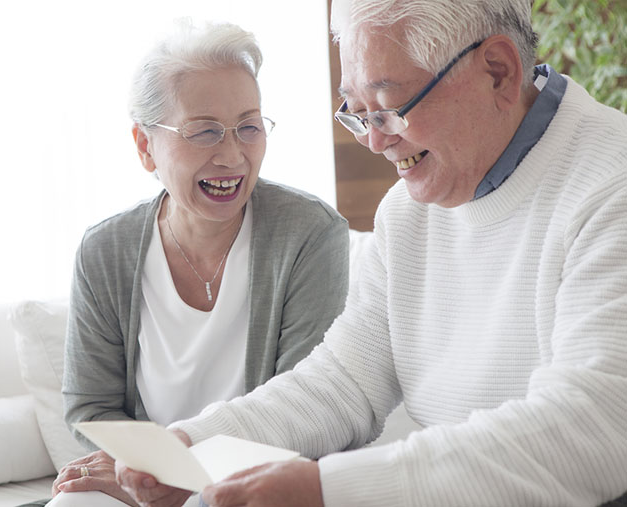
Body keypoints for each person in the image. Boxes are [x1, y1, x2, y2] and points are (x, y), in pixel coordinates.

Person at [115, 1, 627, 506]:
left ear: (497, 72)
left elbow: (597, 428)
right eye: (359, 112)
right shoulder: (407, 212)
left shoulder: (610, 185)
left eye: (389, 106)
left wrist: (330, 490)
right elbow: (344, 381)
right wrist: (196, 443)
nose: (376, 141)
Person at [37, 19, 350, 507]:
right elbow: (91, 406)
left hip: (259, 475)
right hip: (145, 480)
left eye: (248, 127)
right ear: (145, 146)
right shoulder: (105, 250)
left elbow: (306, 405)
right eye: (204, 132)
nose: (232, 155)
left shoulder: (310, 234)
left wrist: (193, 477)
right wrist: (152, 472)